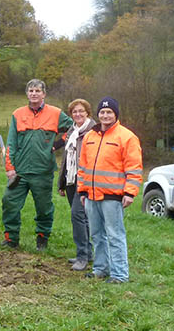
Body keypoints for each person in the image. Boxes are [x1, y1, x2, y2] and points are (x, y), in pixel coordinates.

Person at [1, 79, 73, 251]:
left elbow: (73, 129)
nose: (34, 93)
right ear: (27, 93)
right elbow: (11, 142)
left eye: (37, 91)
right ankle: (11, 238)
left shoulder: (55, 113)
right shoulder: (18, 114)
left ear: (44, 94)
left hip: (43, 171)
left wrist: (57, 144)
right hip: (20, 171)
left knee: (44, 207)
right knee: (9, 201)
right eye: (31, 90)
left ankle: (42, 237)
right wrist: (10, 168)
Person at [78, 96, 142, 284]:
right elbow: (83, 167)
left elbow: (134, 168)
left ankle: (120, 274)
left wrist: (130, 192)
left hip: (113, 197)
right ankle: (100, 269)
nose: (105, 115)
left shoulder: (127, 137)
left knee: (115, 235)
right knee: (97, 235)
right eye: (102, 112)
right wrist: (82, 191)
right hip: (91, 195)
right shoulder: (90, 136)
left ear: (115, 114)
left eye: (109, 112)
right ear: (98, 114)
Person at [57, 99, 96, 271]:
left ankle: (82, 257)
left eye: (81, 111)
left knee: (77, 216)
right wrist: (62, 183)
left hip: (85, 181)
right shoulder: (72, 130)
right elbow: (67, 159)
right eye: (74, 112)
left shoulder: (93, 131)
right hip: (71, 180)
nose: (78, 114)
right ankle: (87, 253)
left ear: (88, 112)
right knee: (83, 219)